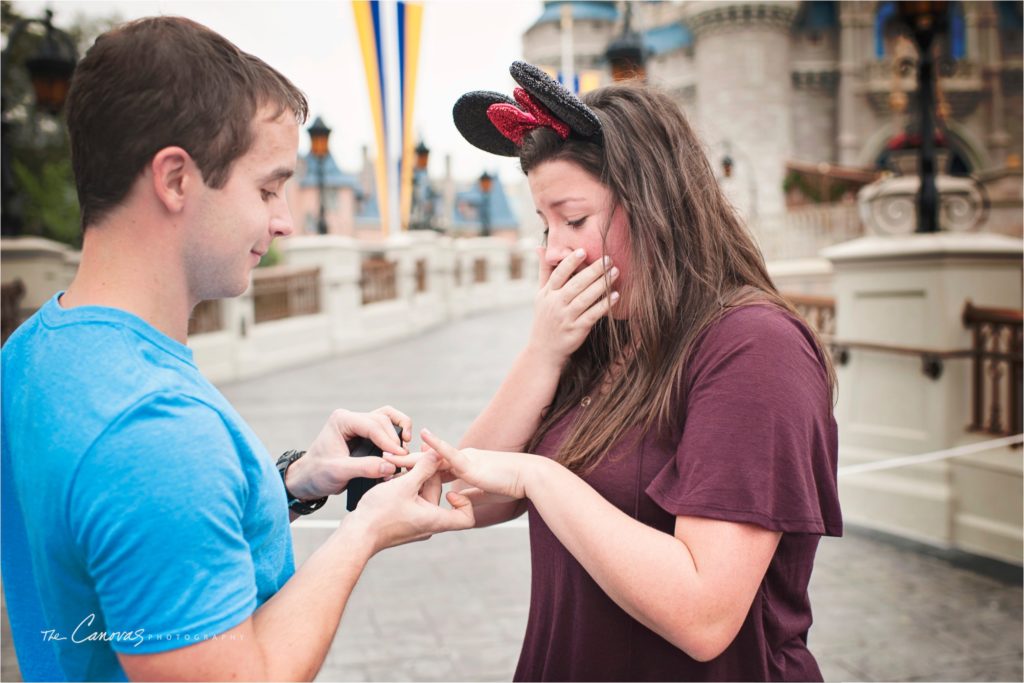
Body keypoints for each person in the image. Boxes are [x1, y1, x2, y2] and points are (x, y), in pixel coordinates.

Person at [0, 17, 473, 682]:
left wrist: (292, 482)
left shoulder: (30, 352)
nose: (283, 220)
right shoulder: (154, 432)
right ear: (174, 179)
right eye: (267, 188)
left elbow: (128, 554)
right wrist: (363, 533)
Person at [414, 62, 843, 681]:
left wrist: (540, 478)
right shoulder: (604, 337)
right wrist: (543, 352)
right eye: (544, 225)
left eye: (574, 219)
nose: (554, 250)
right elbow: (464, 494)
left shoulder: (755, 349)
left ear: (653, 203)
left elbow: (703, 615)